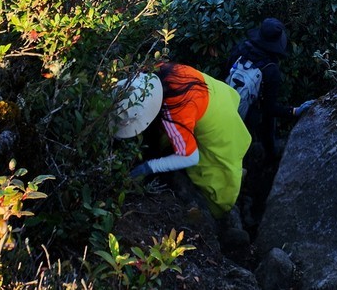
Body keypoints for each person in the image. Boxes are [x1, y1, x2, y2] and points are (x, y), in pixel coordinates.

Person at [111, 62, 251, 218]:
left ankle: (222, 214)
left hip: (218, 122)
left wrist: (149, 167)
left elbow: (190, 157)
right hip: (213, 92)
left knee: (219, 175)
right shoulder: (155, 70)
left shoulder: (175, 111)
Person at [227, 18, 314, 162]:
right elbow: (269, 109)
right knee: (266, 123)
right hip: (251, 114)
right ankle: (269, 156)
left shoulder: (241, 49)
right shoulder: (271, 69)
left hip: (228, 102)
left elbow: (227, 73)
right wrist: (294, 111)